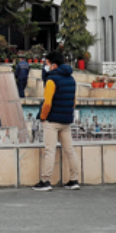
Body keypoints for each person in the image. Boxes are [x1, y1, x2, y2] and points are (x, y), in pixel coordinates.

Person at [33, 51, 80, 191]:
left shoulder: (51, 80)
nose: (45, 66)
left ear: (54, 65)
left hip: (52, 121)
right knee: (70, 151)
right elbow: (74, 101)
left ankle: (45, 181)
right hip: (66, 121)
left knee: (50, 151)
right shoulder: (71, 79)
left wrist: (43, 117)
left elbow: (47, 103)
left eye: (46, 63)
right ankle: (74, 180)